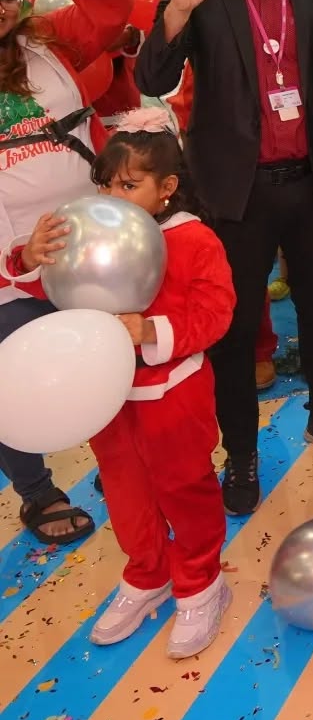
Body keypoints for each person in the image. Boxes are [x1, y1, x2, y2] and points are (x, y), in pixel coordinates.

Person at [136, 0, 313, 515]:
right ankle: (240, 451)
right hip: (232, 193)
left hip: (312, 183)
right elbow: (154, 73)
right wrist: (175, 9)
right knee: (233, 326)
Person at [14, 111, 236, 655]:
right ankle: (147, 572)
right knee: (124, 489)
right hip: (107, 395)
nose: (113, 195)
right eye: (106, 183)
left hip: (173, 393)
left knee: (184, 488)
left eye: (129, 185)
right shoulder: (83, 231)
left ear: (167, 189)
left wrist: (149, 329)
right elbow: (54, 291)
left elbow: (216, 313)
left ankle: (202, 582)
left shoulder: (193, 238)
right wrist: (29, 256)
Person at [0, 0, 130, 546]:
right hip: (13, 258)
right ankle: (37, 491)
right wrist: (18, 253)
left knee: (115, 355)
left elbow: (108, 10)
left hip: (88, 240)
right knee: (9, 377)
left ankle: (122, 463)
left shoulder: (51, 40)